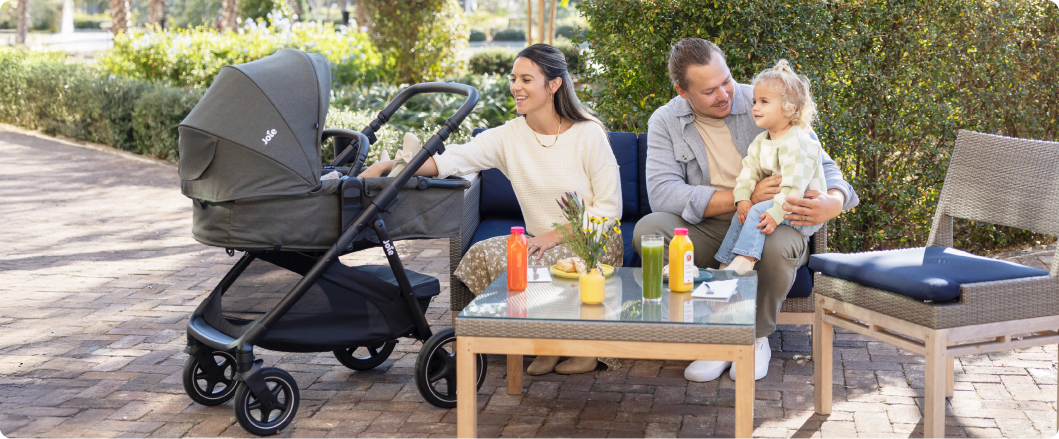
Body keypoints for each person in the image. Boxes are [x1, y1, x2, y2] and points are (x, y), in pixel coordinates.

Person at [358, 44, 624, 375]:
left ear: (553, 84)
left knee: (524, 261)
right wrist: (387, 165)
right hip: (539, 243)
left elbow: (609, 209)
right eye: (514, 78)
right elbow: (449, 160)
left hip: (593, 242)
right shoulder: (508, 136)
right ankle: (541, 343)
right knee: (483, 256)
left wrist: (554, 237)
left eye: (527, 79)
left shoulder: (589, 135)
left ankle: (583, 347)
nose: (516, 87)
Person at [632, 38, 859, 382]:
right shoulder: (664, 121)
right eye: (709, 91)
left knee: (777, 244)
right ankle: (714, 334)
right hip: (711, 226)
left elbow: (823, 165)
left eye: (726, 80)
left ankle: (753, 338)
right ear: (683, 92)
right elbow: (663, 194)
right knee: (649, 231)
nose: (725, 94)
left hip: (773, 222)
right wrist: (745, 197)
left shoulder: (765, 99)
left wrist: (835, 201)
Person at [715, 60, 827, 274]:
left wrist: (776, 213)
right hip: (782, 204)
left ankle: (745, 261)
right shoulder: (760, 141)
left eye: (764, 102)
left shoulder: (798, 142)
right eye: (755, 101)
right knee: (744, 212)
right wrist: (743, 198)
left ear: (789, 108)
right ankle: (725, 263)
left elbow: (795, 186)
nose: (755, 107)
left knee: (757, 211)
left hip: (802, 211)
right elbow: (749, 171)